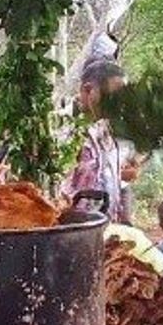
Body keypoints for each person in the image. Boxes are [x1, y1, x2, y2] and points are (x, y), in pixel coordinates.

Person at [60, 59, 144, 222]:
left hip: (106, 225)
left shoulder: (108, 128)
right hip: (71, 230)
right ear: (87, 90)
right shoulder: (59, 129)